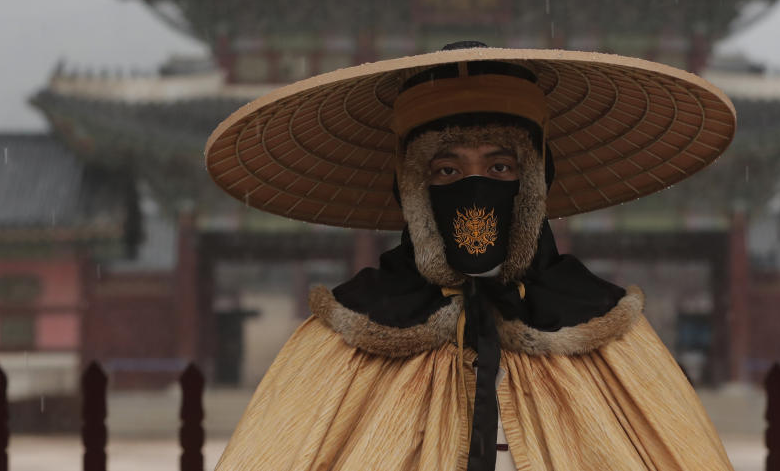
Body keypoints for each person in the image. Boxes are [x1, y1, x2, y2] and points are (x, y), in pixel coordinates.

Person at [205, 43, 738, 471]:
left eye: (501, 167)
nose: (475, 188)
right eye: (447, 171)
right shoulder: (342, 339)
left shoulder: (606, 331)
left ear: (533, 182)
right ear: (412, 188)